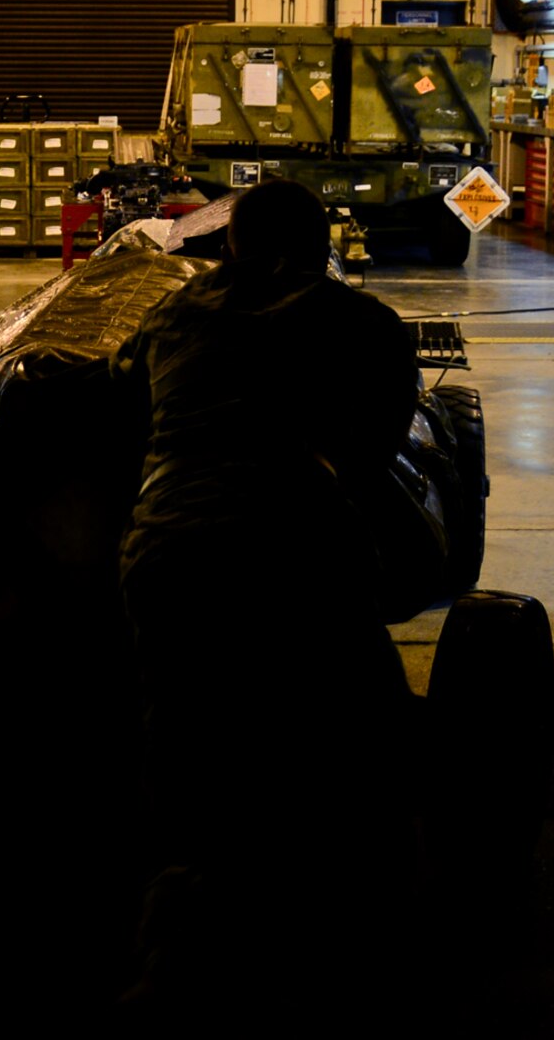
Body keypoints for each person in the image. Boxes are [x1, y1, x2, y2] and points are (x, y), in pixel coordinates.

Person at [111, 179, 425, 1027]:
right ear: (319, 243)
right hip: (294, 548)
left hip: (170, 546)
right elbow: (376, 451)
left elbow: (118, 406)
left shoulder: (173, 315)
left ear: (231, 244)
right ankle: (350, 948)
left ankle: (171, 965)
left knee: (181, 747)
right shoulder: (363, 324)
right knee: (359, 730)